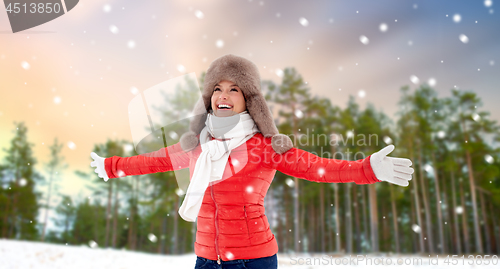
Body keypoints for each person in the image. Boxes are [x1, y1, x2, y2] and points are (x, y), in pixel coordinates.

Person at [90, 54, 414, 269]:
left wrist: (367, 168)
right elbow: (151, 161)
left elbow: (319, 168)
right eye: (217, 89)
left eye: (234, 89)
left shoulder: (265, 147)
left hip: (252, 260)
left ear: (249, 100)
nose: (223, 96)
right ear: (208, 99)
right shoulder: (198, 146)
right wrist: (110, 166)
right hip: (205, 259)